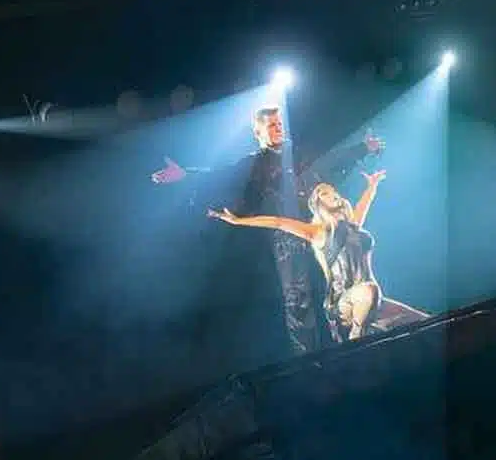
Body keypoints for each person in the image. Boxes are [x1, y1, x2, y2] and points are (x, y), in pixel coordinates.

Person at [150, 106, 383, 353]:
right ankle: (310, 359)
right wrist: (185, 174)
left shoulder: (299, 153)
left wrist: (363, 148)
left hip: (319, 231)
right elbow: (220, 176)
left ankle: (352, 345)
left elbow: (332, 158)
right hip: (287, 238)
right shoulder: (254, 163)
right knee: (299, 302)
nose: (278, 128)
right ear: (258, 132)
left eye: (279, 124)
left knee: (338, 287)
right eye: (272, 125)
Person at [207, 169, 386, 342]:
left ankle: (366, 332)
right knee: (369, 291)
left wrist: (372, 185)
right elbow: (278, 222)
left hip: (370, 298)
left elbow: (363, 204)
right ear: (318, 204)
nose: (332, 194)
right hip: (343, 303)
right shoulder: (319, 232)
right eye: (324, 193)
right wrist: (238, 221)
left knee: (403, 320)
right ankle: (356, 341)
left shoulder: (353, 226)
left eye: (333, 191)